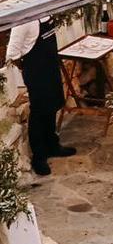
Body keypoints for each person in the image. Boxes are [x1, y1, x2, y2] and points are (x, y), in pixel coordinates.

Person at [5, 16, 76, 176]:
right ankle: (39, 157)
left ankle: (53, 146)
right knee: (39, 111)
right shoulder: (23, 21)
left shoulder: (47, 13)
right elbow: (12, 53)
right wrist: (27, 68)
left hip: (50, 67)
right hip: (36, 71)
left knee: (52, 106)